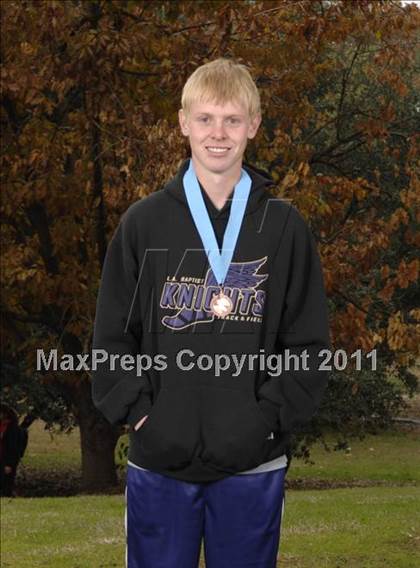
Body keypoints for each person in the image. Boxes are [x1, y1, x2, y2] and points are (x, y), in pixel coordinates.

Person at [92, 58, 331, 568]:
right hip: (159, 460)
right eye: (205, 119)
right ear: (183, 123)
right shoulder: (143, 224)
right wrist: (140, 413)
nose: (218, 134)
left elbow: (309, 346)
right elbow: (112, 338)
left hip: (252, 462)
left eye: (232, 120)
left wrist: (265, 419)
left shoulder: (284, 228)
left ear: (254, 125)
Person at [0, 404, 27, 497]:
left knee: (6, 485)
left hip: (6, 460)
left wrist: (9, 464)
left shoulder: (13, 429)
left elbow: (14, 448)